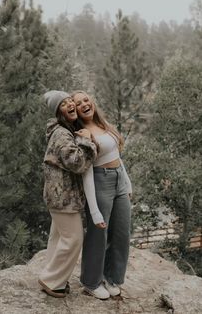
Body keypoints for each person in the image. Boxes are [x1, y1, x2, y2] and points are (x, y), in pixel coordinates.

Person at [38, 90, 105, 298]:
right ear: (58, 112)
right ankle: (51, 281)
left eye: (70, 102)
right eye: (64, 104)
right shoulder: (61, 133)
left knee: (57, 238)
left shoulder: (63, 130)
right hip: (62, 197)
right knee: (74, 238)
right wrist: (88, 142)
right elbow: (76, 163)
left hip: (58, 195)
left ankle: (52, 276)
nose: (70, 105)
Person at [72, 91, 132, 300]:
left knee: (122, 232)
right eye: (78, 104)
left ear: (92, 102)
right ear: (76, 111)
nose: (84, 104)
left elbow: (117, 155)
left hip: (119, 180)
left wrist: (127, 181)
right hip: (100, 181)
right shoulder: (82, 133)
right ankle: (91, 282)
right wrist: (94, 210)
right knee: (98, 234)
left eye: (86, 100)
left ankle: (112, 277)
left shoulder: (103, 123)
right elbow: (86, 171)